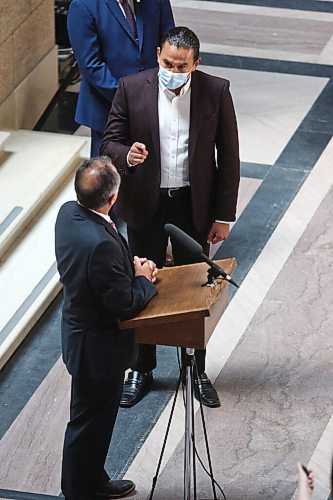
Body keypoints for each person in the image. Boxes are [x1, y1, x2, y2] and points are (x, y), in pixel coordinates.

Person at [100, 26, 240, 409]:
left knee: (195, 287)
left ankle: (197, 369)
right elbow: (108, 141)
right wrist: (127, 155)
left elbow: (228, 159)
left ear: (196, 63)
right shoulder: (131, 87)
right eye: (166, 62)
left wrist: (224, 216)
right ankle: (141, 367)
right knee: (142, 281)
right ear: (157, 56)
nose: (172, 70)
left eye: (181, 65)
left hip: (192, 205)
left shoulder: (216, 91)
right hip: (146, 202)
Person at [55, 156, 158, 499]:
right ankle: (78, 492)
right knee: (87, 425)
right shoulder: (99, 245)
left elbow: (96, 267)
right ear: (112, 198)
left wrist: (127, 264)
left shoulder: (69, 214)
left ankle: (93, 479)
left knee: (95, 424)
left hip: (80, 334)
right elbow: (124, 303)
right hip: (97, 350)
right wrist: (143, 279)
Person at [67, 0, 174, 156]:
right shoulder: (83, 5)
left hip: (154, 106)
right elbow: (91, 66)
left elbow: (169, 43)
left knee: (151, 172)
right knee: (109, 175)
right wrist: (132, 99)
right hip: (109, 111)